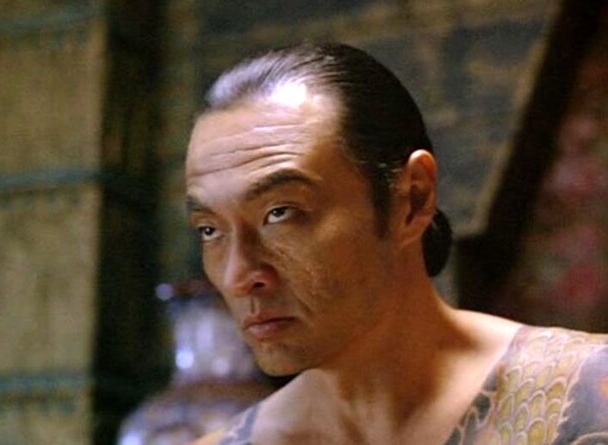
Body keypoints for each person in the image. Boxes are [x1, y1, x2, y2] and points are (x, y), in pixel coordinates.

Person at [183, 43, 608, 444]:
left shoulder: (588, 396)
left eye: (280, 213)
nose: (238, 275)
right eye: (210, 230)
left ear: (412, 198)